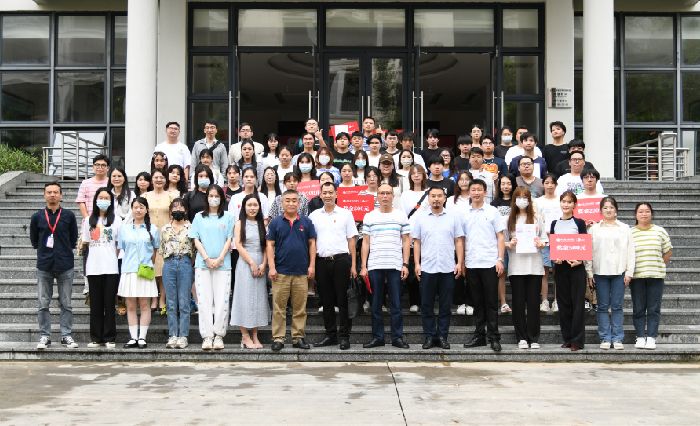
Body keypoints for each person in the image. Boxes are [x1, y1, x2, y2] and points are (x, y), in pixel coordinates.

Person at [412, 187, 465, 350]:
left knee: (445, 306)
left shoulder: (453, 217)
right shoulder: (421, 217)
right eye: (433, 196)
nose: (436, 199)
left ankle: (442, 336)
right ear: (428, 198)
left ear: (445, 198)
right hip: (427, 267)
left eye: (439, 196)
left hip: (447, 267)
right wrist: (417, 264)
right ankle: (429, 336)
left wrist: (459, 262)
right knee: (426, 305)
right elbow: (417, 242)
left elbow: (458, 241)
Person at [361, 183, 411, 349]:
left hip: (395, 264)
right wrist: (363, 266)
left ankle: (397, 338)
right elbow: (365, 242)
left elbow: (406, 241)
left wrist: (405, 264)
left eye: (388, 193)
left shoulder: (401, 216)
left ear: (392, 196)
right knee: (376, 304)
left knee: (396, 304)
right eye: (381, 193)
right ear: (377, 196)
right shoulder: (369, 216)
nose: (384, 196)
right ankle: (378, 337)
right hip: (375, 265)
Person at [30, 182, 80, 350]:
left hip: (65, 264)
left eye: (56, 192)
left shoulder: (69, 216)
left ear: (61, 195)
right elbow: (34, 240)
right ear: (44, 195)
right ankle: (45, 335)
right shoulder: (37, 216)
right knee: (43, 303)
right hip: (44, 265)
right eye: (49, 192)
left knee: (66, 303)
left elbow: (73, 239)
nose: (52, 195)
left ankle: (66, 335)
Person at [266, 190, 317, 352]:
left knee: (300, 308)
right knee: (279, 308)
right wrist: (271, 267)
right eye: (287, 200)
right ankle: (278, 338)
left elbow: (312, 244)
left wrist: (312, 266)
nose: (291, 203)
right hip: (280, 272)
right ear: (282, 203)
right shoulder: (275, 223)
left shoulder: (306, 222)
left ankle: (298, 337)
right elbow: (269, 245)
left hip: (301, 272)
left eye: (294, 200)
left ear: (299, 203)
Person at [309, 183, 358, 350]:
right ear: (320, 195)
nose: (328, 195)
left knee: (343, 300)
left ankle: (344, 336)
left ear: (336, 194)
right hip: (322, 261)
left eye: (331, 192)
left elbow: (351, 240)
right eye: (325, 193)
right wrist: (312, 264)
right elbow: (312, 242)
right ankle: (330, 335)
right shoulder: (314, 215)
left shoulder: (346, 214)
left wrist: (353, 264)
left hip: (341, 261)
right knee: (326, 300)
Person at [586, 196, 635, 350]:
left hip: (619, 272)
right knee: (602, 306)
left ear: (616, 210)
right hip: (600, 272)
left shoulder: (625, 228)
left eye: (611, 207)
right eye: (605, 207)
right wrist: (589, 272)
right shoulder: (594, 229)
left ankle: (618, 338)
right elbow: (589, 252)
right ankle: (605, 338)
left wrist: (629, 272)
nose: (608, 210)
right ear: (601, 211)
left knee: (617, 306)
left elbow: (631, 251)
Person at [463, 179, 505, 353]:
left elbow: (500, 236)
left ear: (485, 192)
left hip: (490, 262)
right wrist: (462, 262)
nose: (476, 193)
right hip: (471, 262)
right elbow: (461, 239)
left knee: (491, 302)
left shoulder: (493, 211)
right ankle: (479, 335)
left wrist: (500, 259)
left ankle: (494, 337)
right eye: (473, 189)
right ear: (469, 192)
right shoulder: (464, 213)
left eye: (479, 189)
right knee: (477, 302)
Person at [189, 185, 234, 350]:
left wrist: (220, 258)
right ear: (206, 197)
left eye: (217, 196)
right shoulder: (199, 217)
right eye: (211, 196)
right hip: (203, 265)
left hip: (223, 265)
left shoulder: (228, 217)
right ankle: (207, 336)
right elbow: (196, 239)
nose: (213, 199)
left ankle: (219, 335)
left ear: (221, 198)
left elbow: (229, 239)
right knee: (204, 301)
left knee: (222, 301)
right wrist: (207, 258)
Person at [504, 187, 547, 349]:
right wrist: (510, 243)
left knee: (534, 303)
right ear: (514, 200)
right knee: (518, 303)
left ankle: (533, 338)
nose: (522, 200)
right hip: (516, 267)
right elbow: (503, 241)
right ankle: (521, 337)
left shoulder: (536, 218)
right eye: (519, 197)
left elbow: (544, 239)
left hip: (534, 266)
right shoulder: (508, 219)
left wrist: (541, 243)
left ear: (529, 200)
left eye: (525, 197)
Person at [117, 197, 160, 349]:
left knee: (144, 305)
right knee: (130, 305)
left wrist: (147, 265)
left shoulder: (153, 229)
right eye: (135, 207)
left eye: (141, 207)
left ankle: (142, 337)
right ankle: (133, 337)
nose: (138, 210)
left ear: (146, 210)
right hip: (129, 270)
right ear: (132, 209)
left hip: (145, 271)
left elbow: (154, 252)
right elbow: (122, 249)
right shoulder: (124, 229)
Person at [82, 188, 122, 349]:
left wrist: (112, 257)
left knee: (109, 304)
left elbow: (119, 245)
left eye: (107, 198)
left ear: (111, 201)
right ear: (95, 200)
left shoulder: (116, 220)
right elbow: (86, 242)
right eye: (101, 197)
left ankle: (109, 337)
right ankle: (96, 337)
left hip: (111, 267)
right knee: (96, 305)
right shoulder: (88, 220)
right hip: (93, 267)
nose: (103, 201)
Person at [630, 202, 673, 350]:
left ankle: (651, 337)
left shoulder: (660, 231)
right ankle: (640, 336)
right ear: (636, 214)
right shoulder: (630, 233)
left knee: (654, 308)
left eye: (647, 211)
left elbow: (668, 251)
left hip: (655, 276)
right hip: (637, 276)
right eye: (641, 211)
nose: (644, 214)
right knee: (638, 308)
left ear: (651, 213)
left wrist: (658, 264)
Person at [230, 194, 269, 349]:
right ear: (244, 207)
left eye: (255, 205)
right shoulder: (240, 223)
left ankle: (255, 335)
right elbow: (238, 245)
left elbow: (266, 246)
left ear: (259, 207)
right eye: (249, 205)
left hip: (260, 263)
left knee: (258, 299)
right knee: (244, 298)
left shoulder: (262, 224)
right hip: (245, 263)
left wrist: (264, 263)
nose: (252, 208)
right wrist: (252, 262)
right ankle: (245, 336)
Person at [551, 191, 588, 351]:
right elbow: (554, 246)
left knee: (578, 304)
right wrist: (555, 258)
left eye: (569, 202)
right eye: (563, 201)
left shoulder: (579, 223)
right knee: (564, 303)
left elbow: (584, 244)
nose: (566, 204)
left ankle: (577, 341)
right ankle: (567, 338)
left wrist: (580, 260)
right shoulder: (554, 223)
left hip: (576, 267)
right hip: (561, 268)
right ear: (560, 203)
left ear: (574, 205)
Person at [160, 198, 195, 349]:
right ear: (170, 211)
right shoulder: (165, 228)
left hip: (185, 263)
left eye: (181, 207)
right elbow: (162, 249)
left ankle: (183, 336)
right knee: (171, 302)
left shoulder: (191, 227)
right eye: (175, 207)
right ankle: (173, 335)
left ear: (185, 210)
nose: (178, 209)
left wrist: (187, 263)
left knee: (184, 301)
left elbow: (195, 248)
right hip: (169, 263)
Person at [76, 154, 110, 296]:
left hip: (108, 224)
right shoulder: (86, 183)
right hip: (91, 225)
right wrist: (88, 220)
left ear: (108, 168)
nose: (100, 167)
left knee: (107, 252)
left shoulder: (111, 182)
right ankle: (88, 284)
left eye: (103, 165)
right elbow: (81, 202)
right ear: (93, 167)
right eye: (97, 165)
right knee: (88, 252)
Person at [145, 169, 174, 313]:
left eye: (161, 177)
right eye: (156, 177)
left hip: (165, 236)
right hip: (148, 236)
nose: (158, 180)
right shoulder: (145, 196)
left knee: (163, 269)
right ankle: (153, 299)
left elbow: (173, 216)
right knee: (151, 266)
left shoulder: (170, 196)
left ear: (165, 180)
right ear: (151, 180)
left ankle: (162, 298)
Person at [535, 174, 562, 313]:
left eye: (552, 183)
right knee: (544, 272)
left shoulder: (561, 200)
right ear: (543, 184)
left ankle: (557, 301)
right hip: (543, 240)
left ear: (556, 185)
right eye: (547, 182)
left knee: (558, 272)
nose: (550, 185)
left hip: (559, 239)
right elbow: (535, 220)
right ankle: (544, 301)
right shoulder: (537, 201)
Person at [491, 174, 516, 314]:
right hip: (500, 243)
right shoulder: (494, 203)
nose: (506, 186)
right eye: (503, 184)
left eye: (509, 183)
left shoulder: (517, 201)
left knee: (515, 272)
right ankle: (503, 302)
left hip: (516, 242)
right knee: (501, 273)